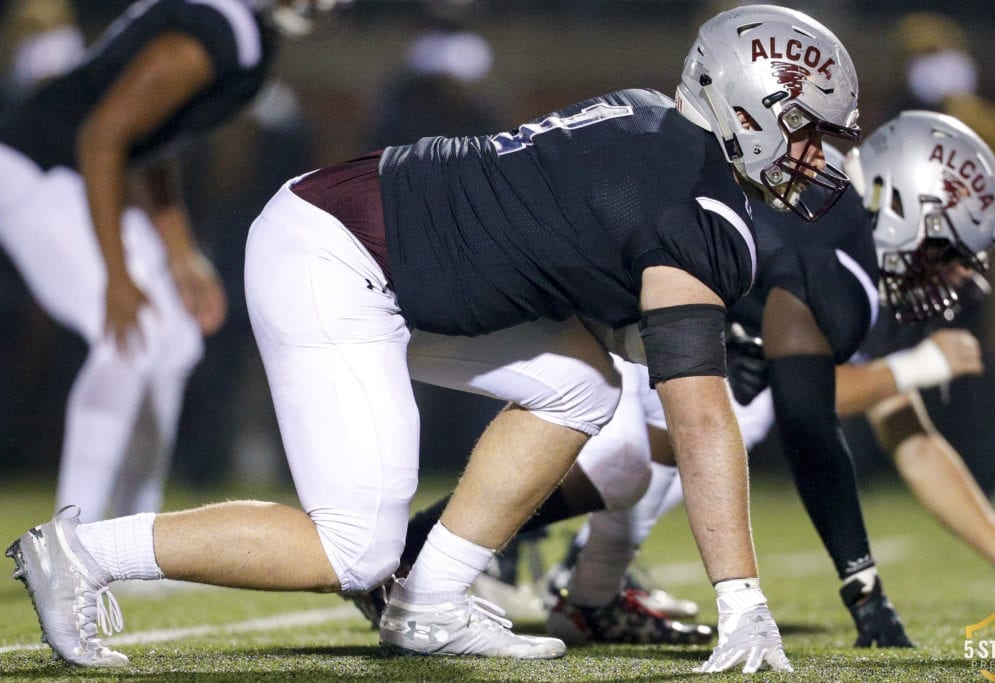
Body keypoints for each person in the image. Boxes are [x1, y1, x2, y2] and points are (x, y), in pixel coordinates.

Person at [6, 5, 862, 672]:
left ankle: (433, 601)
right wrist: (741, 594)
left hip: (372, 240)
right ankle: (80, 551)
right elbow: (704, 417)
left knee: (582, 386)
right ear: (747, 106)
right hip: (340, 255)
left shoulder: (648, 122)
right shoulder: (693, 206)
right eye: (808, 129)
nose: (818, 158)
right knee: (354, 545)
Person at [398, 110, 995, 647]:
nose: (954, 279)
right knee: (636, 454)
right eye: (949, 253)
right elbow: (809, 406)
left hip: (664, 330)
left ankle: (591, 593)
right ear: (899, 202)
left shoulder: (853, 262)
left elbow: (908, 435)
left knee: (678, 440)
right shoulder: (831, 239)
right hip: (622, 309)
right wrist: (916, 367)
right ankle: (418, 555)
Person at [0, 0, 342, 526]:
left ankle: (131, 535)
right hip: (31, 170)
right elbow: (103, 135)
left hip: (73, 179)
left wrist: (181, 254)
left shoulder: (245, 37)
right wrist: (117, 276)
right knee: (127, 339)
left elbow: (146, 141)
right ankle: (72, 536)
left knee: (175, 339)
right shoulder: (216, 30)